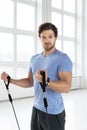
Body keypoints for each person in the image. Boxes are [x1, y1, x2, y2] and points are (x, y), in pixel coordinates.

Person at [1, 22, 73, 130]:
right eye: (43, 37)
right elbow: (30, 81)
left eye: (50, 36)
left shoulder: (63, 58)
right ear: (40, 38)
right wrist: (11, 80)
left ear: (56, 37)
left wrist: (46, 81)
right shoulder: (34, 59)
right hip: (37, 109)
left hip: (54, 112)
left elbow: (67, 87)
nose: (47, 40)